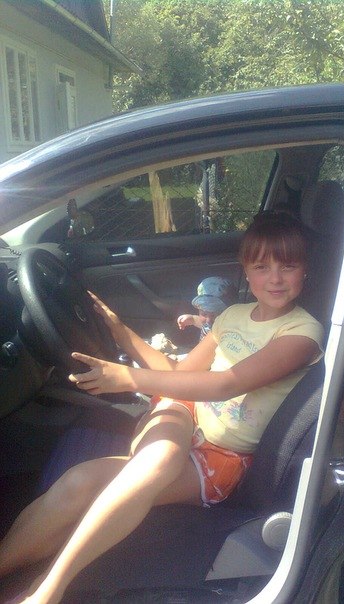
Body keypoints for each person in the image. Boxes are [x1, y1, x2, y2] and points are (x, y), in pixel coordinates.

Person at [0, 212, 324, 604]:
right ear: (245, 270)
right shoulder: (232, 316)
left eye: (288, 266)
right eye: (262, 267)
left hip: (219, 459)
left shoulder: (302, 333)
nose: (275, 278)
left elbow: (227, 384)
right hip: (184, 414)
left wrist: (130, 379)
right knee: (79, 481)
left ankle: (48, 587)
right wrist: (122, 333)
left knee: (124, 472)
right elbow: (178, 373)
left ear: (305, 270)